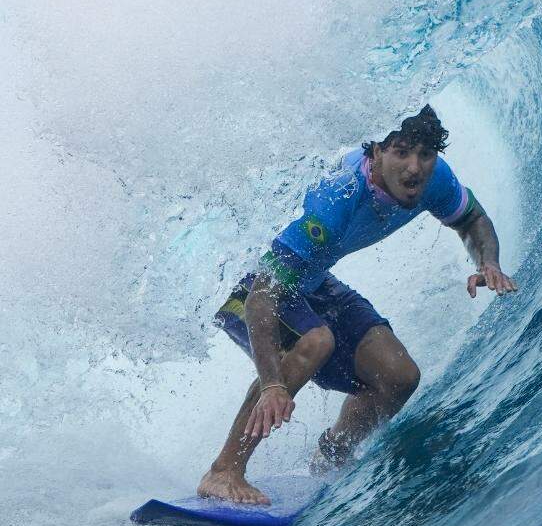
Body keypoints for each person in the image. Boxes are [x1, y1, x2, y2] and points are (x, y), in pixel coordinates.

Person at [198, 105, 518, 504]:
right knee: (315, 341)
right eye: (401, 152)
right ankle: (224, 470)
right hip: (247, 281)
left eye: (425, 154)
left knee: (399, 375)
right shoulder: (338, 198)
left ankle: (332, 453)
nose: (414, 168)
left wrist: (488, 263)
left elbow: (471, 220)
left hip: (309, 278)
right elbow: (263, 293)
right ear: (376, 152)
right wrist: (274, 383)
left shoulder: (435, 181)